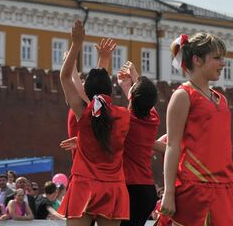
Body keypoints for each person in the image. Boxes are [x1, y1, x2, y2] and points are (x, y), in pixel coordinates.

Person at [58, 20, 131, 225]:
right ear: (110, 89)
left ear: (86, 91)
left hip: (83, 184)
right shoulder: (124, 115)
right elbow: (101, 99)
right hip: (113, 186)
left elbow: (65, 77)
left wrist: (76, 44)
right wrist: (105, 60)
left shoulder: (84, 112)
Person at [158, 33, 233, 226]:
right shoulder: (183, 96)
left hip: (224, 190)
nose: (223, 63)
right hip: (194, 190)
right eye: (217, 58)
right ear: (197, 60)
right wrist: (169, 192)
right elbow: (172, 146)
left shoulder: (221, 99)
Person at [116, 61, 161, 226]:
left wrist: (130, 82)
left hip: (130, 188)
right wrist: (133, 79)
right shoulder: (154, 119)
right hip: (148, 191)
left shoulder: (124, 120)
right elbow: (142, 99)